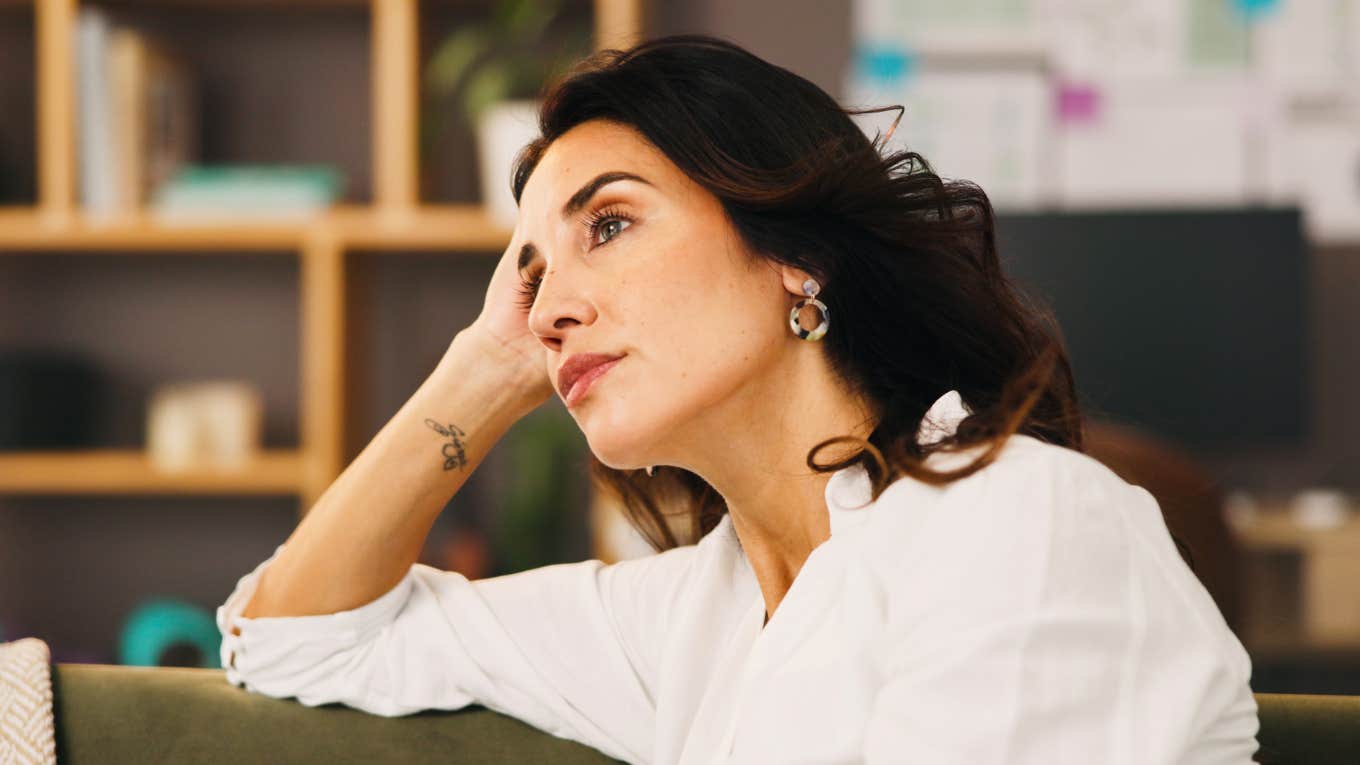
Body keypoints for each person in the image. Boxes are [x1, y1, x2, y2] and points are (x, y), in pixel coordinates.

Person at [216, 34, 1260, 764]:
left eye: (609, 225)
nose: (548, 309)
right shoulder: (693, 616)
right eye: (532, 273)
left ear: (794, 258)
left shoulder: (1015, 523)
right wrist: (487, 366)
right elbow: (296, 637)